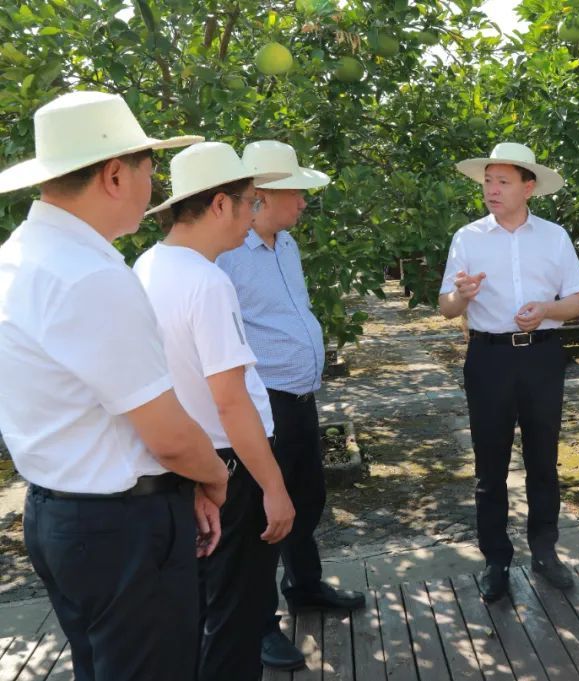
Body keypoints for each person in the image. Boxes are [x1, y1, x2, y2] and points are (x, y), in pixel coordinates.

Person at [0, 91, 228, 680]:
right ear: (114, 174)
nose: (153, 187)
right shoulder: (91, 277)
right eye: (150, 170)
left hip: (56, 515)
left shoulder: (19, 255)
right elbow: (169, 436)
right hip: (120, 529)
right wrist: (215, 476)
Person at [135, 141, 295, 680]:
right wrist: (272, 486)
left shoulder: (149, 264)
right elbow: (230, 400)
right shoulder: (207, 282)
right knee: (237, 614)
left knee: (201, 607)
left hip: (188, 464)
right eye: (250, 202)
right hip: (230, 465)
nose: (254, 216)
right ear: (220, 205)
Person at [216, 140, 365, 671]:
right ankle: (258, 625)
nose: (304, 203)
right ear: (262, 195)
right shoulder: (226, 255)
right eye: (297, 192)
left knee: (305, 496)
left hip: (299, 399)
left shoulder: (286, 246)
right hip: (260, 403)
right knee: (260, 514)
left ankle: (303, 586)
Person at [438, 142, 579, 602]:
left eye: (502, 181)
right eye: (487, 180)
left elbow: (577, 302)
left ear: (529, 187)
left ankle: (544, 551)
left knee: (544, 459)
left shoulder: (554, 237)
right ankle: (496, 560)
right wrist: (462, 296)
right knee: (490, 466)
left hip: (542, 356)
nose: (491, 190)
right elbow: (446, 308)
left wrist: (545, 309)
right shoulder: (468, 238)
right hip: (489, 359)